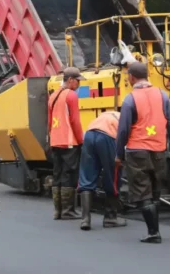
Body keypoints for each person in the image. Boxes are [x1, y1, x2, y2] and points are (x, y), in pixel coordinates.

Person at [116, 61, 170, 243]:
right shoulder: (162, 96)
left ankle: (153, 233)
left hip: (137, 151)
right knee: (155, 191)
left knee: (142, 192)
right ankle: (155, 230)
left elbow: (123, 130)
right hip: (159, 150)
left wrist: (118, 154)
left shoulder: (130, 99)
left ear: (131, 77)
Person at [78, 110, 127, 230]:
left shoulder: (109, 114)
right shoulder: (129, 119)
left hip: (89, 135)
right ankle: (110, 218)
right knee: (113, 176)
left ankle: (85, 219)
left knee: (87, 176)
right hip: (107, 136)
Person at [47, 67, 85, 220]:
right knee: (69, 175)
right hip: (69, 141)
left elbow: (50, 122)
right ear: (70, 80)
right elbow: (75, 121)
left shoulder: (53, 95)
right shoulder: (71, 95)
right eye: (77, 81)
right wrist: (81, 141)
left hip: (56, 141)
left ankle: (58, 211)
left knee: (57, 175)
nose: (79, 84)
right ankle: (68, 211)